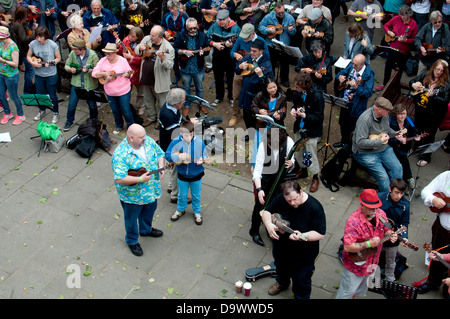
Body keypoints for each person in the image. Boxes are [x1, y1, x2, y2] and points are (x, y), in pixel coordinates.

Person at [261, 180, 326, 299]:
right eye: (289, 200)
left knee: (301, 279)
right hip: (281, 247)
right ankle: (282, 283)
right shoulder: (281, 198)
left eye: (295, 199)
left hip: (303, 255)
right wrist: (268, 224)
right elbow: (267, 211)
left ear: (301, 192)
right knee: (280, 267)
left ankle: (300, 297)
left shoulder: (315, 207)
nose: (292, 203)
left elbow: (320, 234)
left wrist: (302, 236)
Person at [111, 123, 165, 256]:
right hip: (132, 196)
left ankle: (146, 230)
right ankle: (132, 241)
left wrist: (161, 165)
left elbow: (159, 153)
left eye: (144, 136)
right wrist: (140, 180)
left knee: (150, 210)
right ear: (131, 138)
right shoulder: (120, 154)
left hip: (151, 190)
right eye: (141, 137)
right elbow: (119, 178)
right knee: (131, 219)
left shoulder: (148, 141)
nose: (145, 139)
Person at [335, 189, 398, 299]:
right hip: (355, 266)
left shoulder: (380, 213)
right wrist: (368, 244)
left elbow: (386, 229)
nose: (374, 211)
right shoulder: (353, 222)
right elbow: (348, 246)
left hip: (372, 263)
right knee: (346, 293)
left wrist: (390, 234)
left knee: (360, 289)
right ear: (362, 205)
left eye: (376, 208)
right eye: (370, 208)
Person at [251, 127, 294, 247]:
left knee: (276, 207)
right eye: (270, 144)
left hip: (281, 181)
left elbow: (292, 161)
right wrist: (259, 189)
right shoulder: (263, 146)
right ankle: (254, 230)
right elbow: (257, 170)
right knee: (260, 206)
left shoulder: (289, 142)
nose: (270, 147)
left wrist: (291, 163)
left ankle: (270, 227)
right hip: (266, 180)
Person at [352, 96, 404, 193]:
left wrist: (395, 134)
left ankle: (396, 194)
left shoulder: (384, 116)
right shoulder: (365, 119)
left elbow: (386, 129)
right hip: (365, 152)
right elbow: (360, 142)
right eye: (387, 111)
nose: (388, 113)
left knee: (397, 168)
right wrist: (380, 141)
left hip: (383, 149)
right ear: (379, 109)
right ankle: (387, 199)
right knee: (383, 177)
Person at [166, 120, 209, 225]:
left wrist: (202, 159)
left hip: (196, 175)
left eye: (190, 134)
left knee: (196, 195)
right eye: (186, 135)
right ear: (180, 133)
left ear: (193, 132)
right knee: (182, 194)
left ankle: (197, 212)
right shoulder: (175, 142)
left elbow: (206, 156)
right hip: (182, 175)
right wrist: (177, 157)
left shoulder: (199, 142)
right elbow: (167, 155)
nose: (189, 137)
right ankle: (180, 210)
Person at [409, 59, 450, 166]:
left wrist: (434, 96)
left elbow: (445, 101)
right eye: (437, 69)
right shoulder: (426, 75)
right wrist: (414, 85)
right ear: (433, 68)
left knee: (429, 135)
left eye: (441, 70)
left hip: (434, 115)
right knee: (418, 130)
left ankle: (426, 157)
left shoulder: (445, 85)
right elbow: (412, 82)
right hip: (421, 110)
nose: (438, 72)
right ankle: (416, 149)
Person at [229, 23, 270, 127]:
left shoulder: (262, 43)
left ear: (252, 34)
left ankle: (257, 130)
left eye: (254, 51)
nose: (243, 39)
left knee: (255, 107)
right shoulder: (242, 44)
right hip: (244, 75)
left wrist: (260, 74)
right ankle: (236, 115)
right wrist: (237, 58)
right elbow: (232, 53)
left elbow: (266, 61)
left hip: (255, 83)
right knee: (237, 96)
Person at [417, 170, 450, 295]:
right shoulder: (446, 176)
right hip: (441, 228)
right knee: (437, 254)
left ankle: (448, 288)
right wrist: (433, 199)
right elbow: (426, 191)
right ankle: (433, 282)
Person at [291, 72, 324, 193]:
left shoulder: (317, 96)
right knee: (299, 150)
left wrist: (305, 115)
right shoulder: (299, 93)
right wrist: (293, 110)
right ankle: (303, 169)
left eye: (297, 87)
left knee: (309, 153)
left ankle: (315, 176)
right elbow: (295, 105)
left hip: (311, 130)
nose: (295, 89)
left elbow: (319, 117)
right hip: (299, 127)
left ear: (304, 86)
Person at [136, 24, 175, 126]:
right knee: (148, 101)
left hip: (159, 81)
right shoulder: (147, 39)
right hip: (146, 78)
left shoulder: (168, 48)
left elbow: (169, 66)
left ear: (160, 37)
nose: (150, 36)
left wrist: (163, 58)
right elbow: (136, 50)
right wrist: (140, 48)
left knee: (162, 103)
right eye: (150, 34)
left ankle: (160, 119)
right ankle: (151, 117)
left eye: (153, 35)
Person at [92, 42, 134, 135]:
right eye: (106, 53)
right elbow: (94, 73)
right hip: (110, 92)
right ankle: (119, 125)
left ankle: (131, 127)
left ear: (115, 52)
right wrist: (104, 74)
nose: (107, 56)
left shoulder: (122, 61)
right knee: (115, 110)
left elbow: (130, 74)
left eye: (109, 54)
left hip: (123, 90)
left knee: (125, 109)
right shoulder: (103, 61)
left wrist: (127, 75)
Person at [334, 53, 374, 148]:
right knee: (342, 122)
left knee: (352, 127)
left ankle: (350, 147)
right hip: (345, 101)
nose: (353, 66)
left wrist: (357, 87)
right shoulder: (351, 67)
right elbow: (340, 74)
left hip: (356, 105)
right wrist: (340, 77)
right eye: (353, 63)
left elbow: (368, 93)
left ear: (362, 64)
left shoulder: (368, 74)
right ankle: (343, 141)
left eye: (356, 65)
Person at [173, 17, 210, 117]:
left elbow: (207, 48)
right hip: (185, 67)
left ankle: (200, 103)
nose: (193, 30)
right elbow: (175, 49)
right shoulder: (181, 36)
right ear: (186, 28)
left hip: (198, 67)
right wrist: (183, 51)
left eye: (195, 28)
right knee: (186, 88)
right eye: (190, 28)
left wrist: (204, 52)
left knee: (200, 88)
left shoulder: (202, 36)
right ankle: (187, 105)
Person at [375, 5, 418, 91]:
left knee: (400, 69)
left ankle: (395, 86)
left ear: (409, 15)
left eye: (404, 16)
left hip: (403, 51)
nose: (402, 17)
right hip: (392, 48)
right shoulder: (396, 18)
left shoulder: (413, 24)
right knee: (388, 66)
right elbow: (386, 25)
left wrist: (406, 41)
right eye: (401, 15)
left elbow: (414, 39)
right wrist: (389, 32)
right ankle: (385, 83)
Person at [235, 38, 274, 133]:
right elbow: (237, 71)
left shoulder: (266, 63)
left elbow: (270, 83)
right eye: (251, 50)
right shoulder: (247, 58)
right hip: (245, 93)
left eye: (254, 51)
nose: (251, 52)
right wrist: (239, 67)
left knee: (257, 117)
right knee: (247, 116)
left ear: (261, 51)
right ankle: (250, 132)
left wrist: (261, 75)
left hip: (257, 96)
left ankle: (259, 135)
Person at [378, 178, 411, 282]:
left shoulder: (405, 206)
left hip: (393, 238)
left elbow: (405, 224)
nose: (399, 196)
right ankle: (370, 279)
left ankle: (390, 281)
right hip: (377, 235)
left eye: (401, 193)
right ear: (390, 189)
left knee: (391, 261)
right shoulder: (379, 197)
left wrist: (404, 237)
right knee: (372, 259)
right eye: (396, 192)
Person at [63, 38, 99, 131]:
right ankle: (69, 121)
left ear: (82, 49)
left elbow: (98, 69)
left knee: (92, 105)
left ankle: (93, 121)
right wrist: (70, 69)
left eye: (75, 49)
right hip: (77, 83)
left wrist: (89, 70)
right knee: (72, 104)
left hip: (89, 85)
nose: (73, 51)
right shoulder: (73, 54)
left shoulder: (92, 55)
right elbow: (67, 65)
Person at [27, 26, 61, 124]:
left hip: (50, 74)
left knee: (52, 95)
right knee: (40, 94)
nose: (39, 39)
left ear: (46, 36)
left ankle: (55, 112)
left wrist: (50, 63)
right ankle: (42, 110)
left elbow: (58, 58)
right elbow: (28, 56)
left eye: (41, 37)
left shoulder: (52, 45)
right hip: (39, 74)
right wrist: (33, 63)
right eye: (37, 37)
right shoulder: (33, 44)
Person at [207, 9, 241, 107]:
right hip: (217, 55)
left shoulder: (236, 28)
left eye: (222, 20)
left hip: (230, 56)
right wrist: (214, 44)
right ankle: (219, 97)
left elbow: (239, 42)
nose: (220, 22)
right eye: (219, 20)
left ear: (228, 18)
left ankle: (231, 97)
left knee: (231, 78)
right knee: (218, 77)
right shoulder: (214, 26)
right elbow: (207, 38)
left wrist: (232, 45)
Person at [158, 88, 186, 205]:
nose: (184, 102)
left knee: (171, 168)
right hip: (171, 148)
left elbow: (179, 122)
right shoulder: (168, 116)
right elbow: (177, 134)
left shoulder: (170, 106)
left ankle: (170, 186)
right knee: (175, 171)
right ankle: (175, 195)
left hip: (168, 144)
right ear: (177, 103)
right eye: (183, 100)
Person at [258, 2, 296, 88]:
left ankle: (284, 79)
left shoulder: (289, 18)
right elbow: (260, 27)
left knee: (285, 63)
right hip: (271, 44)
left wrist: (291, 29)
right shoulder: (268, 17)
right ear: (275, 11)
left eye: (283, 12)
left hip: (284, 44)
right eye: (279, 13)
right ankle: (271, 79)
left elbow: (294, 32)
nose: (281, 14)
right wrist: (268, 30)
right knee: (271, 63)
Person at [388, 103, 421, 189]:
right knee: (402, 157)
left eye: (404, 113)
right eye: (400, 114)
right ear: (395, 114)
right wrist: (398, 140)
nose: (403, 116)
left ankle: (405, 179)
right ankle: (408, 178)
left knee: (402, 157)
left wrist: (416, 136)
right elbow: (388, 138)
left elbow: (414, 130)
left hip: (405, 145)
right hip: (393, 145)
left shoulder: (409, 120)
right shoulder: (390, 122)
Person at [117, 26, 145, 117]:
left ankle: (141, 106)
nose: (130, 38)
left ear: (138, 37)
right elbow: (119, 53)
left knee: (141, 91)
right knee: (126, 90)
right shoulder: (125, 41)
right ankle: (126, 107)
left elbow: (143, 59)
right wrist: (118, 47)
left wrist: (132, 58)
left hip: (138, 71)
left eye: (133, 36)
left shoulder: (143, 44)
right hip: (127, 70)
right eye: (129, 35)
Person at [0, 26, 25, 125]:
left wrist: (3, 60)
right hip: (1, 73)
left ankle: (21, 114)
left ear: (5, 37)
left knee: (14, 96)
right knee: (1, 95)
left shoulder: (13, 47)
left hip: (11, 76)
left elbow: (15, 64)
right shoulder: (1, 44)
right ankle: (7, 113)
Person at [414, 10, 450, 76]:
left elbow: (448, 47)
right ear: (431, 21)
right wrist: (421, 47)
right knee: (418, 79)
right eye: (435, 22)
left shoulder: (445, 29)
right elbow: (417, 38)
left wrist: (443, 49)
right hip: (424, 59)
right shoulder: (427, 26)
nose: (438, 24)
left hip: (436, 61)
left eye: (440, 22)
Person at [161, 0, 188, 84]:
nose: (171, 10)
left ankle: (186, 75)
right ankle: (177, 75)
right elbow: (163, 25)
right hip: (171, 40)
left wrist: (180, 35)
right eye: (170, 8)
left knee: (184, 58)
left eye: (173, 8)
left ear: (177, 7)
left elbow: (187, 28)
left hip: (182, 39)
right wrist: (164, 31)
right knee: (174, 58)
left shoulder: (184, 16)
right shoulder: (167, 16)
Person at [11, 5, 36, 95]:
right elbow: (24, 39)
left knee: (28, 70)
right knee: (31, 71)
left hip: (23, 51)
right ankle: (27, 91)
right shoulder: (18, 25)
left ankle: (27, 88)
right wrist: (34, 33)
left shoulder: (18, 23)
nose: (27, 16)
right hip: (24, 52)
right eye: (26, 15)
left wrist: (32, 29)